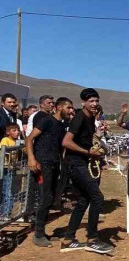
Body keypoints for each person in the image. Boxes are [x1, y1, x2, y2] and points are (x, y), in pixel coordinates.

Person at [59, 88, 113, 255]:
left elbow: (85, 139)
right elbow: (66, 142)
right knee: (97, 197)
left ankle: (68, 240)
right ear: (83, 103)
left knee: (83, 201)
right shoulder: (80, 118)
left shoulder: (90, 119)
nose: (95, 104)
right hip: (76, 164)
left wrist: (98, 134)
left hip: (82, 163)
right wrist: (89, 152)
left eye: (96, 101)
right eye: (91, 101)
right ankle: (92, 239)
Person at [26, 97, 73, 247]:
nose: (71, 111)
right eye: (69, 108)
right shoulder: (46, 120)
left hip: (53, 164)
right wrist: (32, 159)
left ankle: (42, 232)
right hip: (42, 164)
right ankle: (38, 235)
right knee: (45, 198)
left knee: (50, 197)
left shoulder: (60, 125)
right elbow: (29, 139)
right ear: (60, 108)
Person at [0, 123, 20, 219]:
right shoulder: (5, 140)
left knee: (11, 190)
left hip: (12, 169)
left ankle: (7, 212)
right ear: (8, 132)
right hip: (6, 169)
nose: (17, 132)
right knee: (7, 191)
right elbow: (4, 150)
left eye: (18, 130)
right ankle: (5, 213)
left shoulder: (16, 141)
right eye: (14, 131)